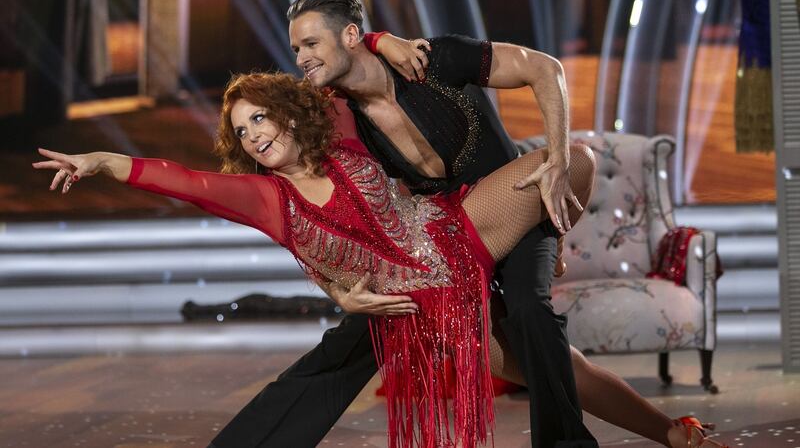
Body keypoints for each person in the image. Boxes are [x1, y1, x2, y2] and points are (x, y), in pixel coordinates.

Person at [208, 0, 727, 447]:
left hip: (517, 210)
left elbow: (544, 69)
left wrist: (556, 164)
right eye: (296, 49)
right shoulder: (337, 115)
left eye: (309, 44)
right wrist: (340, 291)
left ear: (346, 36)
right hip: (448, 244)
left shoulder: (434, 59)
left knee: (529, 311)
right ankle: (670, 433)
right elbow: (320, 213)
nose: (300, 58)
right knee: (542, 365)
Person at [33, 71, 596, 448]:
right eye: (241, 130)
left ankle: (543, 251)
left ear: (288, 114)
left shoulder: (341, 137)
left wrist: (377, 39)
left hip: (459, 232)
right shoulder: (267, 198)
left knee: (570, 159)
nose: (253, 136)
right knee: (560, 374)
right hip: (423, 307)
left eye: (260, 118)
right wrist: (104, 162)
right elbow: (185, 181)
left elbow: (341, 60)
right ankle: (669, 431)